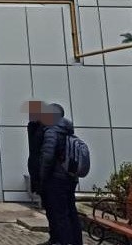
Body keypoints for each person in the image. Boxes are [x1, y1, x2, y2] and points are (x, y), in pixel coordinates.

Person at [38, 103, 83, 245]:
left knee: (59, 214)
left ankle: (62, 241)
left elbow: (48, 156)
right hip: (70, 177)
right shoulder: (67, 129)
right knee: (70, 211)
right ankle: (75, 241)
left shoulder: (52, 130)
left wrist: (42, 177)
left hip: (56, 178)